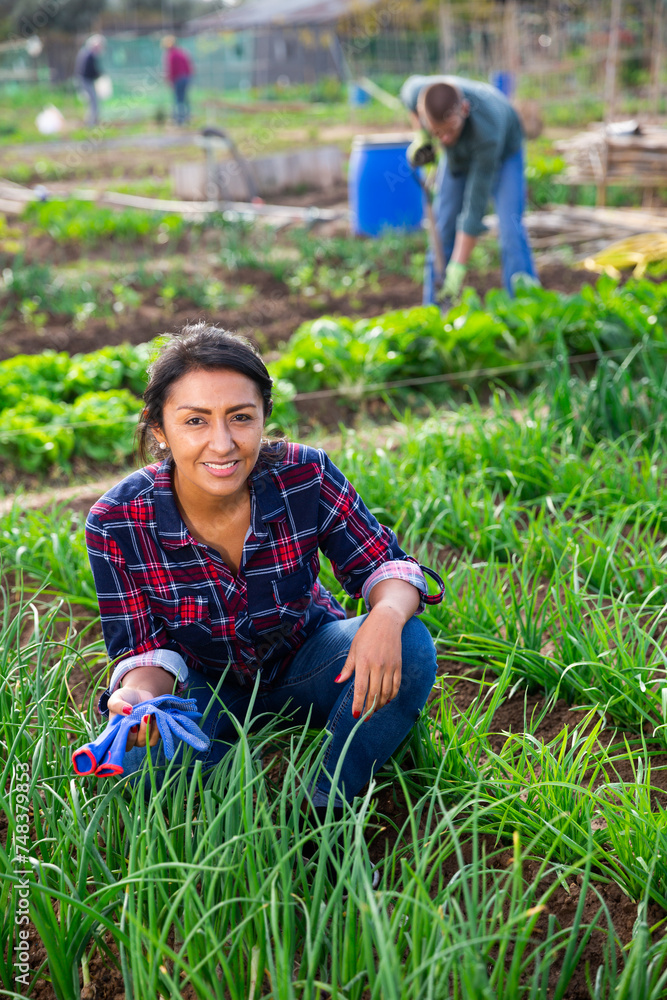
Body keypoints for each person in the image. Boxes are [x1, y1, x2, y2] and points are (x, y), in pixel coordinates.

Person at [85, 324, 443, 822]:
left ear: (263, 417)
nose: (222, 443)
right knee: (134, 762)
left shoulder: (305, 475)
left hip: (309, 661)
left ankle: (327, 802)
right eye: (195, 421)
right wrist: (142, 698)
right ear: (159, 428)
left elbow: (384, 564)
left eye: (240, 417)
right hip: (203, 686)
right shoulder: (117, 520)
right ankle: (234, 784)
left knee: (410, 645)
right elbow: (143, 649)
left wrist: (386, 616)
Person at [401, 75, 538, 304]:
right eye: (437, 132)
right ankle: (435, 309)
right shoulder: (419, 92)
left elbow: (474, 208)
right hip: (458, 154)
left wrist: (457, 267)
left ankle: (525, 305)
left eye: (449, 129)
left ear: (464, 109)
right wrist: (422, 135)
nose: (444, 138)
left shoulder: (488, 130)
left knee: (510, 230)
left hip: (504, 151)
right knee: (443, 227)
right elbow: (408, 96)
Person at [75, 34, 105, 127]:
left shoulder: (85, 53)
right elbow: (90, 70)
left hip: (84, 80)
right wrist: (99, 74)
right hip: (86, 81)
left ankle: (91, 121)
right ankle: (91, 123)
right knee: (93, 102)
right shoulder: (89, 55)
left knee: (91, 101)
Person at [162, 36, 193, 126]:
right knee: (184, 98)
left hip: (178, 79)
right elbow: (188, 66)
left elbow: (172, 69)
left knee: (178, 99)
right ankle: (187, 117)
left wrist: (170, 80)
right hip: (185, 77)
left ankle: (180, 119)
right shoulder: (182, 52)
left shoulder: (172, 55)